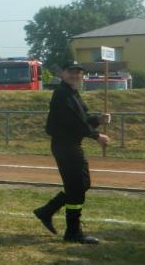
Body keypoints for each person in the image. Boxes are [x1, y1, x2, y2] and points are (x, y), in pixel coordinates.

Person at [33, 62, 110, 244]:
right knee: (78, 185)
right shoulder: (62, 94)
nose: (75, 75)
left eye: (78, 73)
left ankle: (47, 211)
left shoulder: (72, 93)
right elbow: (75, 122)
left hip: (70, 145)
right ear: (63, 74)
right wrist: (96, 136)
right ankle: (72, 231)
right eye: (71, 72)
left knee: (79, 185)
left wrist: (98, 120)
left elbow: (82, 119)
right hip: (65, 146)